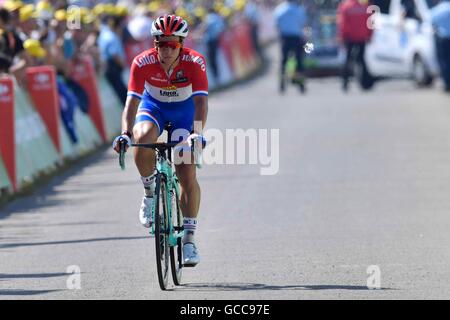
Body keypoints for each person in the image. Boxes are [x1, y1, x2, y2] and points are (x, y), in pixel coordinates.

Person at [112, 14, 208, 267]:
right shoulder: (142, 62)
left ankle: (188, 239)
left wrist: (196, 133)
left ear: (181, 44)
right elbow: (131, 101)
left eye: (171, 44)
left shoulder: (194, 62)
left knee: (186, 172)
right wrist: (125, 133)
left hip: (183, 113)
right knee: (141, 137)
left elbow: (200, 101)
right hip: (153, 107)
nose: (165, 50)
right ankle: (149, 193)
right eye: (160, 44)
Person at [337, 0, 373, 92]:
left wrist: (342, 37)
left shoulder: (345, 6)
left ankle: (345, 83)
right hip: (362, 37)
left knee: (348, 60)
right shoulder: (364, 6)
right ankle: (365, 83)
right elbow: (370, 22)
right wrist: (369, 35)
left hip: (349, 38)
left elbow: (342, 24)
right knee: (362, 60)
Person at [273, 0, 308, 93]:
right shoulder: (299, 9)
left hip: (285, 38)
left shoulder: (279, 9)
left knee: (283, 62)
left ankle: (282, 85)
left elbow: (276, 24)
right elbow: (303, 24)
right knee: (299, 62)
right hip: (296, 38)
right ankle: (301, 85)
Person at [98, 12, 128, 105]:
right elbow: (115, 54)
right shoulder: (109, 36)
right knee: (124, 95)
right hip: (114, 67)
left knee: (122, 94)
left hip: (110, 67)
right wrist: (123, 66)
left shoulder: (104, 34)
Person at [430, 0, 450, 92]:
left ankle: (447, 84)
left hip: (442, 40)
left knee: (444, 62)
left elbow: (432, 24)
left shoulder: (436, 11)